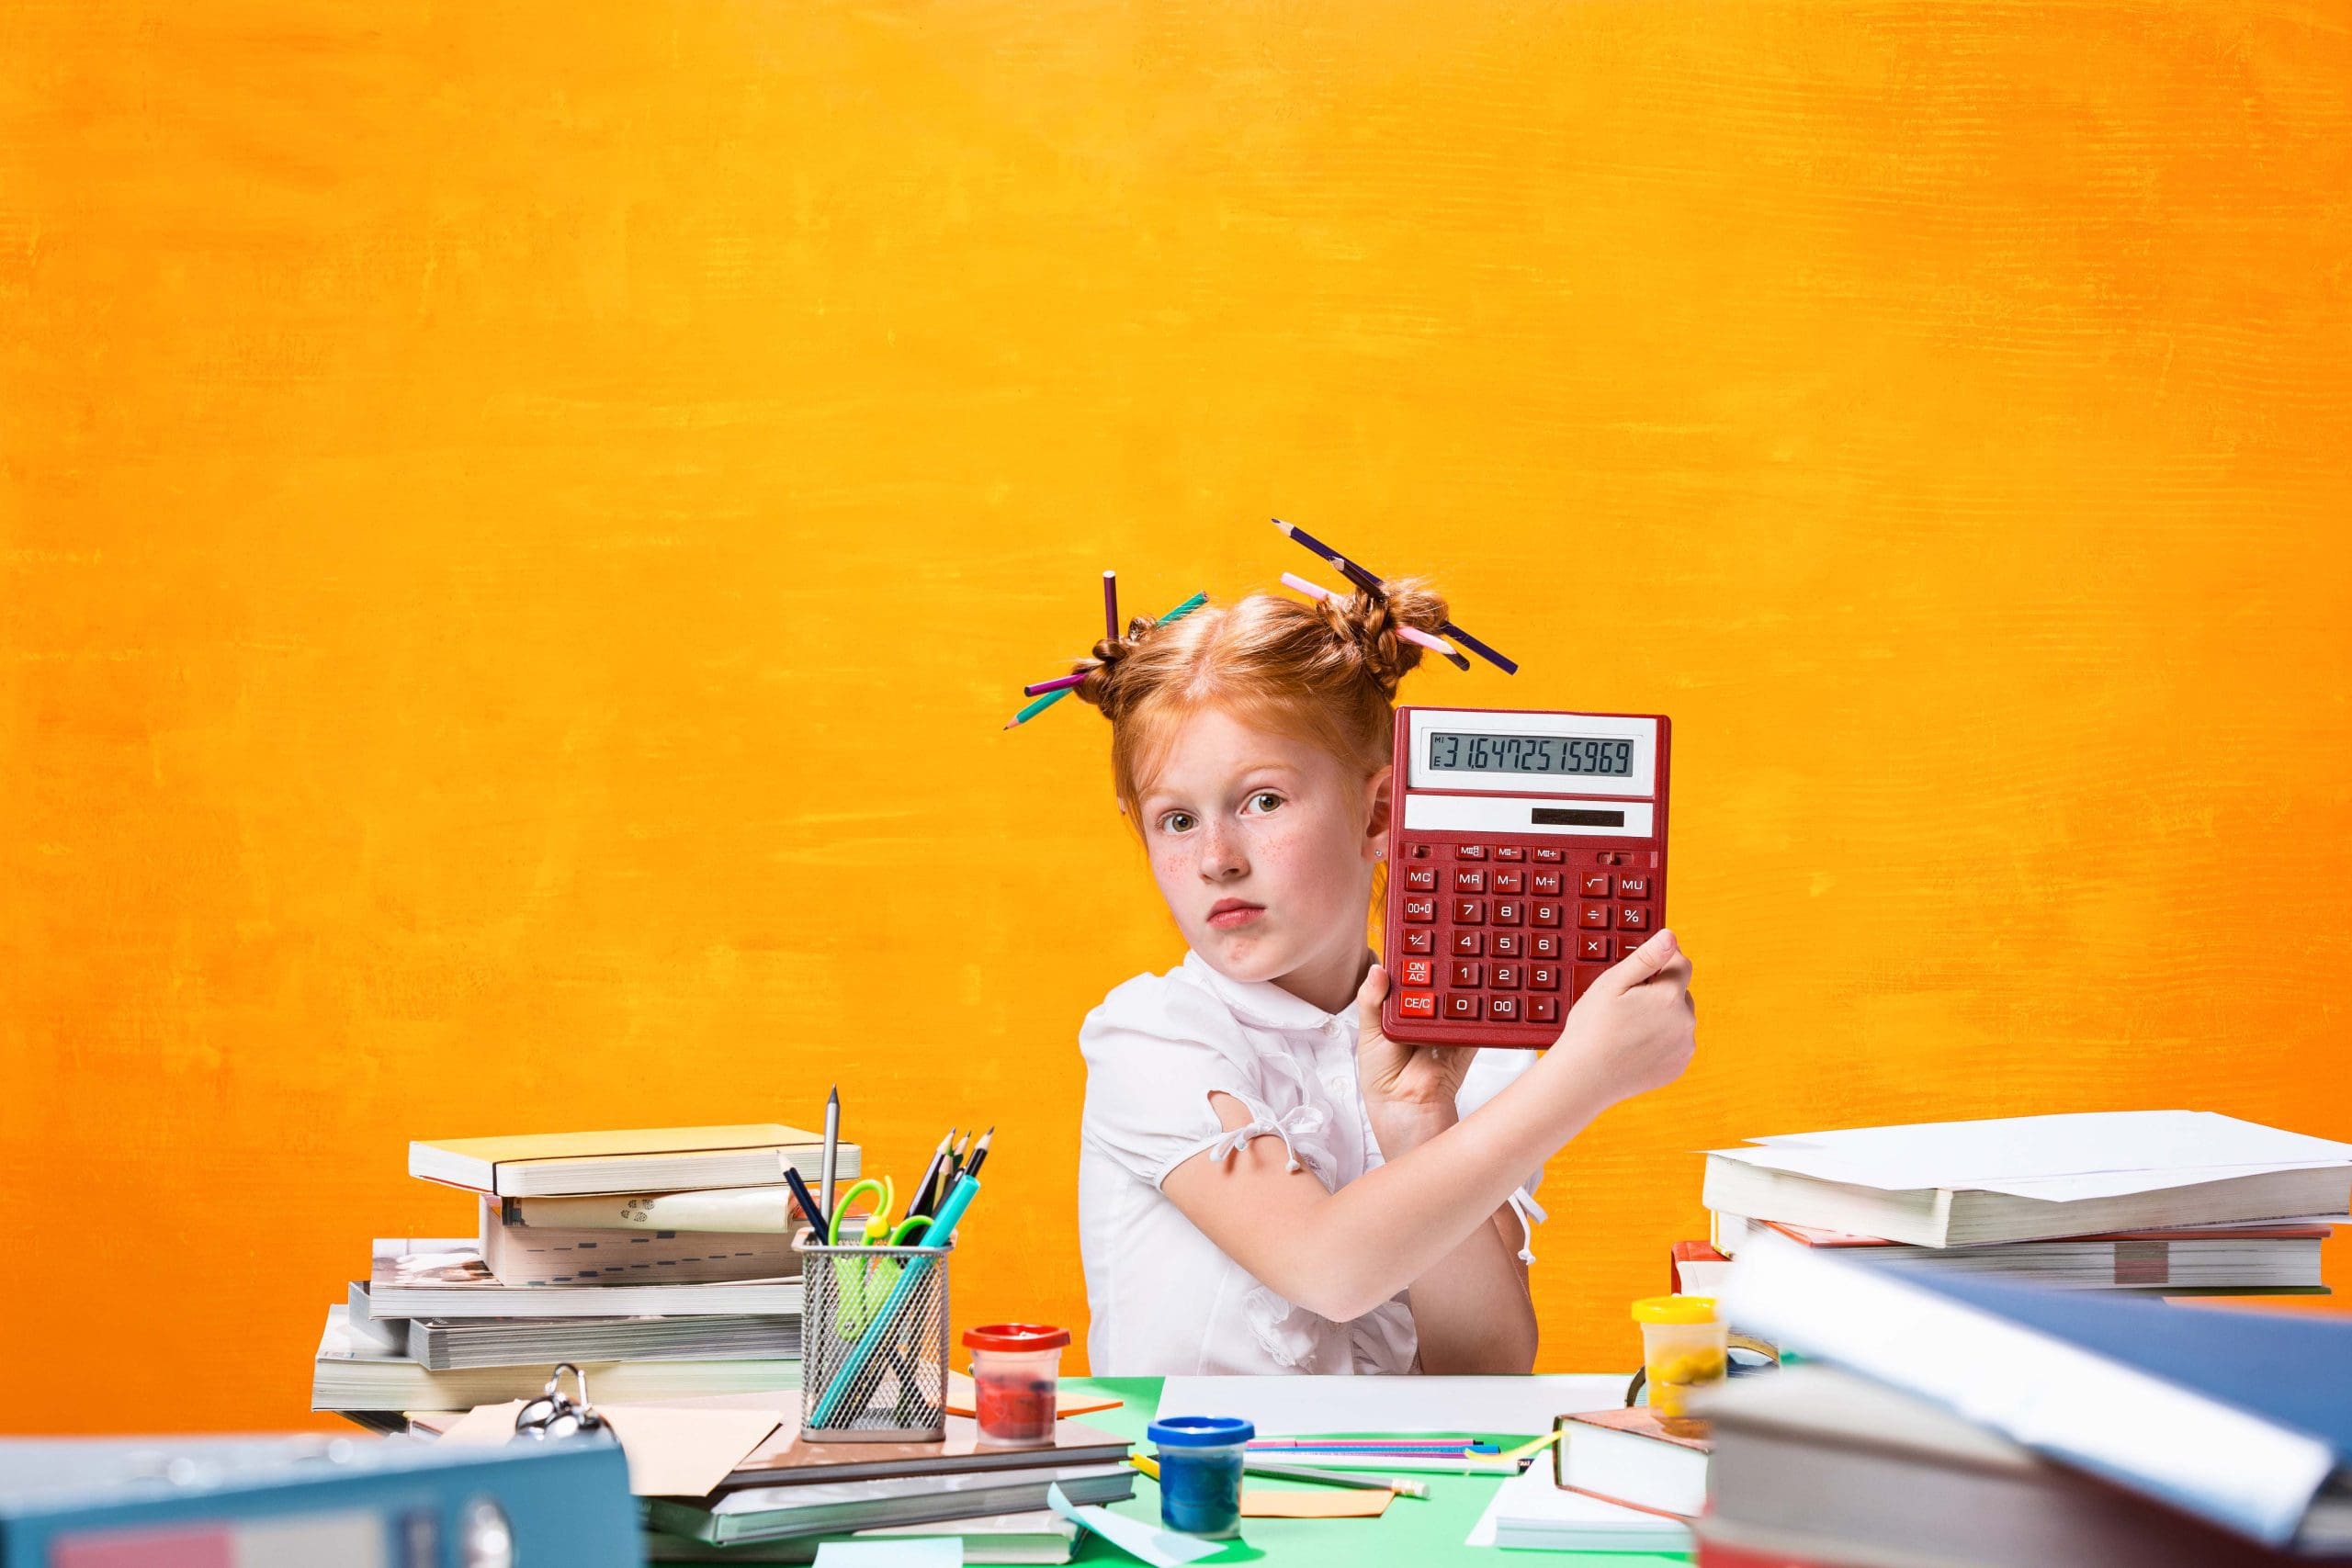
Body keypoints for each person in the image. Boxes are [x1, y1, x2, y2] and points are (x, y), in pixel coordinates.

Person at [1066, 572, 1697, 1375]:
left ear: (1379, 814)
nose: (1217, 860)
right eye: (1177, 820)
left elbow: (1485, 1367)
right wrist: (1581, 1080)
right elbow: (1326, 1268)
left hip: (1394, 1493)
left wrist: (1419, 1126)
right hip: (1196, 1490)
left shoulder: (1458, 1053)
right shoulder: (1150, 1039)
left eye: (1262, 801)